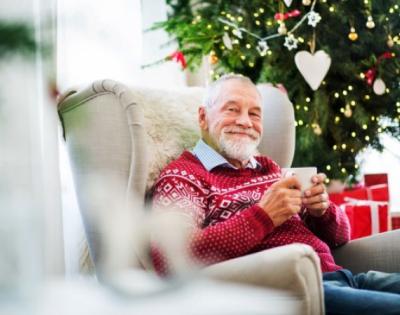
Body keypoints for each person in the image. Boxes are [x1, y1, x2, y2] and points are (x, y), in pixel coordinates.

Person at [151, 74, 400, 314]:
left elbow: (340, 236)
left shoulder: (268, 167)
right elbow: (169, 257)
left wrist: (322, 211)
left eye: (255, 114)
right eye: (232, 109)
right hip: (293, 292)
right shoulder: (183, 175)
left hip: (344, 277)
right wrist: (263, 215)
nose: (245, 122)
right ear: (203, 117)